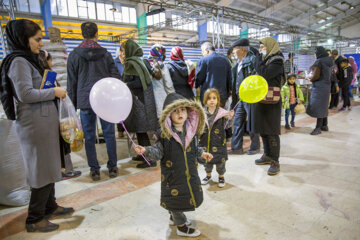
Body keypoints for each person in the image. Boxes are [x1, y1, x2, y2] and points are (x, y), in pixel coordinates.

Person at [0, 19, 73, 232]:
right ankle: (34, 218)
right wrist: (54, 92)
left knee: (49, 166)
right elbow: (25, 94)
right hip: (34, 125)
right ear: (24, 39)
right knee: (41, 169)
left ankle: (50, 206)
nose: (41, 43)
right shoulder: (19, 62)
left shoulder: (30, 59)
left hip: (43, 123)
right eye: (37, 39)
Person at [133, 92, 213, 237]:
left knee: (182, 197)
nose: (180, 113)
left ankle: (173, 216)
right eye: (175, 111)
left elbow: (195, 149)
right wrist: (145, 150)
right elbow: (158, 152)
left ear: (189, 112)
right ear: (168, 115)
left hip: (188, 173)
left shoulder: (191, 131)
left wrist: (202, 154)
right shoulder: (164, 135)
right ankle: (181, 227)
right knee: (175, 199)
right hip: (172, 176)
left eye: (183, 109)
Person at [67, 22, 121, 181]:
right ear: (97, 34)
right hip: (105, 100)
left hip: (85, 101)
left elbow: (72, 83)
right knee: (109, 134)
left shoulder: (74, 55)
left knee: (89, 136)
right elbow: (115, 77)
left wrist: (73, 105)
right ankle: (112, 167)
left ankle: (94, 170)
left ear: (82, 34)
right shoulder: (105, 54)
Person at [38, 50, 82, 180]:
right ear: (47, 61)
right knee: (62, 143)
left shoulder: (40, 75)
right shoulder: (48, 76)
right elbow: (50, 94)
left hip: (52, 115)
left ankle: (62, 169)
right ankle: (65, 170)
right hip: (55, 115)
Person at [120, 39, 158, 168]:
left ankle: (150, 159)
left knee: (141, 131)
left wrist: (126, 84)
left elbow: (139, 83)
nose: (123, 53)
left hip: (139, 103)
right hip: (144, 102)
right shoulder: (142, 61)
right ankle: (143, 155)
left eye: (124, 50)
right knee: (140, 131)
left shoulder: (132, 63)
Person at [253, 37, 284, 176]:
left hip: (272, 100)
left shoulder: (277, 60)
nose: (261, 49)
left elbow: (265, 74)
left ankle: (275, 161)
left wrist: (258, 60)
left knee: (271, 130)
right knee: (263, 129)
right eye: (260, 47)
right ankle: (267, 155)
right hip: (262, 98)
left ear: (270, 46)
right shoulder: (266, 60)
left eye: (263, 46)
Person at [230, 39, 260, 155]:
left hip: (250, 98)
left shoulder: (252, 60)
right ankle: (236, 148)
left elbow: (256, 79)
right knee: (237, 122)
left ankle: (255, 147)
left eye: (235, 49)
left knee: (252, 122)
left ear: (242, 49)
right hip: (240, 98)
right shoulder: (238, 63)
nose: (233, 51)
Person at [199, 89, 233, 188]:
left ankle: (221, 176)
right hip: (206, 142)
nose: (212, 100)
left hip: (219, 142)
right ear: (205, 100)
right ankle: (208, 175)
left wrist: (230, 117)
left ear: (218, 100)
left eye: (214, 98)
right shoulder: (202, 113)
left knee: (220, 162)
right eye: (209, 98)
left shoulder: (222, 113)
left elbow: (228, 126)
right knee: (207, 162)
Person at [305, 46, 333, 135]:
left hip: (319, 86)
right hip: (327, 86)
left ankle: (318, 128)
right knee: (324, 106)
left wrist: (310, 79)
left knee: (318, 107)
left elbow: (316, 75)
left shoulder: (319, 61)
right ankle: (325, 125)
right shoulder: (330, 60)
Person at [195, 42, 232, 106]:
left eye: (202, 51)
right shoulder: (225, 60)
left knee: (208, 115)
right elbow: (230, 78)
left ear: (207, 51)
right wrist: (229, 93)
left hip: (208, 96)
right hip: (222, 96)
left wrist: (195, 85)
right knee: (220, 114)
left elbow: (199, 78)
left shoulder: (203, 60)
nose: (202, 53)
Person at [145, 44, 175, 118]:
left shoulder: (145, 64)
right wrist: (173, 97)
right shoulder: (162, 66)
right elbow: (169, 85)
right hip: (161, 99)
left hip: (148, 99)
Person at [114, 47, 125, 138]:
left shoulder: (128, 62)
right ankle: (120, 131)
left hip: (128, 89)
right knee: (119, 111)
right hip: (118, 89)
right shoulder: (115, 62)